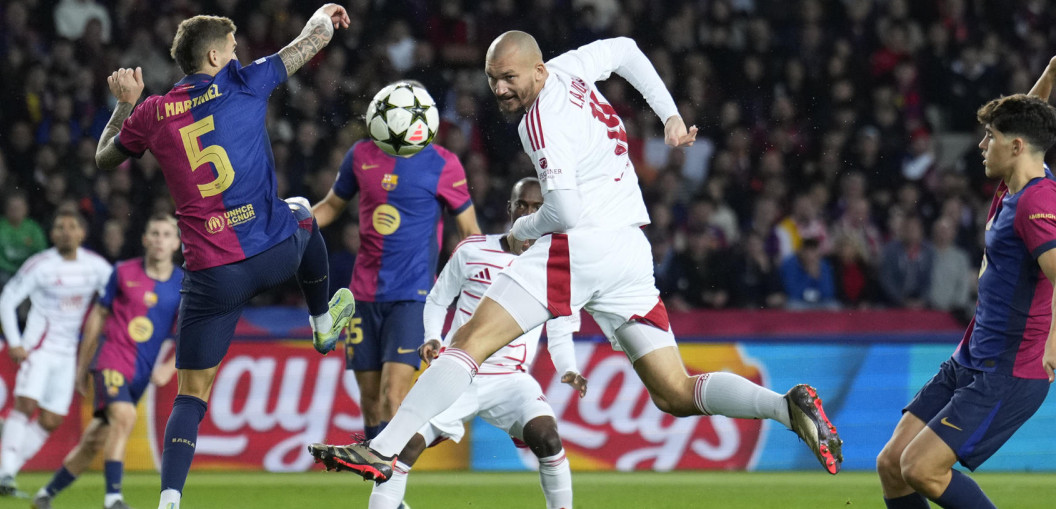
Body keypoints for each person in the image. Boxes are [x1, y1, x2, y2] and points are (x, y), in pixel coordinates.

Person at [309, 32, 843, 482]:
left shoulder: (540, 121)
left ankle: (385, 448)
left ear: (537, 71)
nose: (499, 88)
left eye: (510, 78)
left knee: (468, 340)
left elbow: (562, 208)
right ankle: (785, 406)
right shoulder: (569, 70)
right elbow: (628, 50)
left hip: (582, 243)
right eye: (493, 78)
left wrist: (523, 227)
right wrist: (670, 116)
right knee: (675, 391)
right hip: (630, 248)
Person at [92, 4, 357, 509]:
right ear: (214, 54)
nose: (239, 53)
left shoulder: (151, 113)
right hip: (272, 252)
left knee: (191, 395)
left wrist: (125, 103)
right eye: (233, 47)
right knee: (303, 210)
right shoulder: (245, 82)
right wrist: (323, 13)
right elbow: (311, 41)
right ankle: (322, 322)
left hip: (212, 278)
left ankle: (170, 498)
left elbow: (104, 157)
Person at [876, 44, 1056, 509]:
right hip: (972, 358)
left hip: (1009, 372)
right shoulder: (1023, 179)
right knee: (892, 464)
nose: (981, 145)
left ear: (1014, 148)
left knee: (921, 469)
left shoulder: (1037, 208)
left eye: (989, 137)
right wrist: (1050, 73)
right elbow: (1026, 121)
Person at [365, 177, 581, 509]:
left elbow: (561, 326)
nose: (528, 212)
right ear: (510, 208)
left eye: (537, 207)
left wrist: (568, 367)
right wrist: (433, 337)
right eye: (521, 204)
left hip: (511, 379)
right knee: (402, 448)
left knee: (548, 438)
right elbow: (438, 300)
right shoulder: (474, 249)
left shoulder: (555, 266)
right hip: (459, 374)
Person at [310, 80, 479, 442]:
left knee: (393, 396)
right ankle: (385, 494)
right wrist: (288, 225)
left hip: (412, 296)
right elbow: (330, 208)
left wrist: (473, 287)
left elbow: (469, 232)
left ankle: (389, 489)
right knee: (371, 402)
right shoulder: (360, 155)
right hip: (363, 295)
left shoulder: (444, 164)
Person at [31, 214, 183, 509]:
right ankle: (113, 498)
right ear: (145, 239)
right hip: (112, 359)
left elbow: (189, 333)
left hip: (141, 372)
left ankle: (45, 496)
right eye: (155, 232)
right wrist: (82, 366)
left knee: (94, 441)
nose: (160, 239)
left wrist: (170, 365)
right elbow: (97, 317)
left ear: (176, 243)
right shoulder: (123, 272)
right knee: (125, 417)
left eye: (166, 234)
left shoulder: (182, 284)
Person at [0, 208, 113, 496]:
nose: (65, 232)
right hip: (39, 348)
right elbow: (7, 300)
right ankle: (6, 474)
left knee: (51, 420)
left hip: (68, 354)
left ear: (82, 233)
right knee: (26, 404)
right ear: (52, 234)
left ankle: (5, 472)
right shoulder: (40, 265)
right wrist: (15, 341)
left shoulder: (95, 266)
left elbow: (117, 293)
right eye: (59, 227)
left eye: (72, 227)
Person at [0, 192, 48, 289]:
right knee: (2, 279)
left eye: (18, 208)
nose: (15, 211)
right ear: (6, 209)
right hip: (5, 271)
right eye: (12, 208)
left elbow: (40, 253)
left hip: (29, 271)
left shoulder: (34, 228)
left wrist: (25, 271)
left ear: (26, 209)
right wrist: (14, 270)